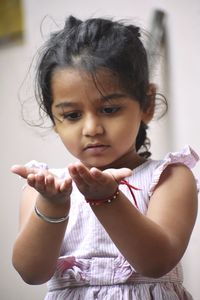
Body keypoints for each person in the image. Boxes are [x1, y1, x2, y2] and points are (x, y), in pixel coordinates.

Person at [11, 15, 199, 299]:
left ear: (146, 105)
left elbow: (156, 262)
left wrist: (106, 199)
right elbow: (31, 273)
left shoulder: (170, 177)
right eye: (72, 115)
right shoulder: (47, 188)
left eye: (109, 110)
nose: (92, 129)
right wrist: (52, 206)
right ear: (54, 119)